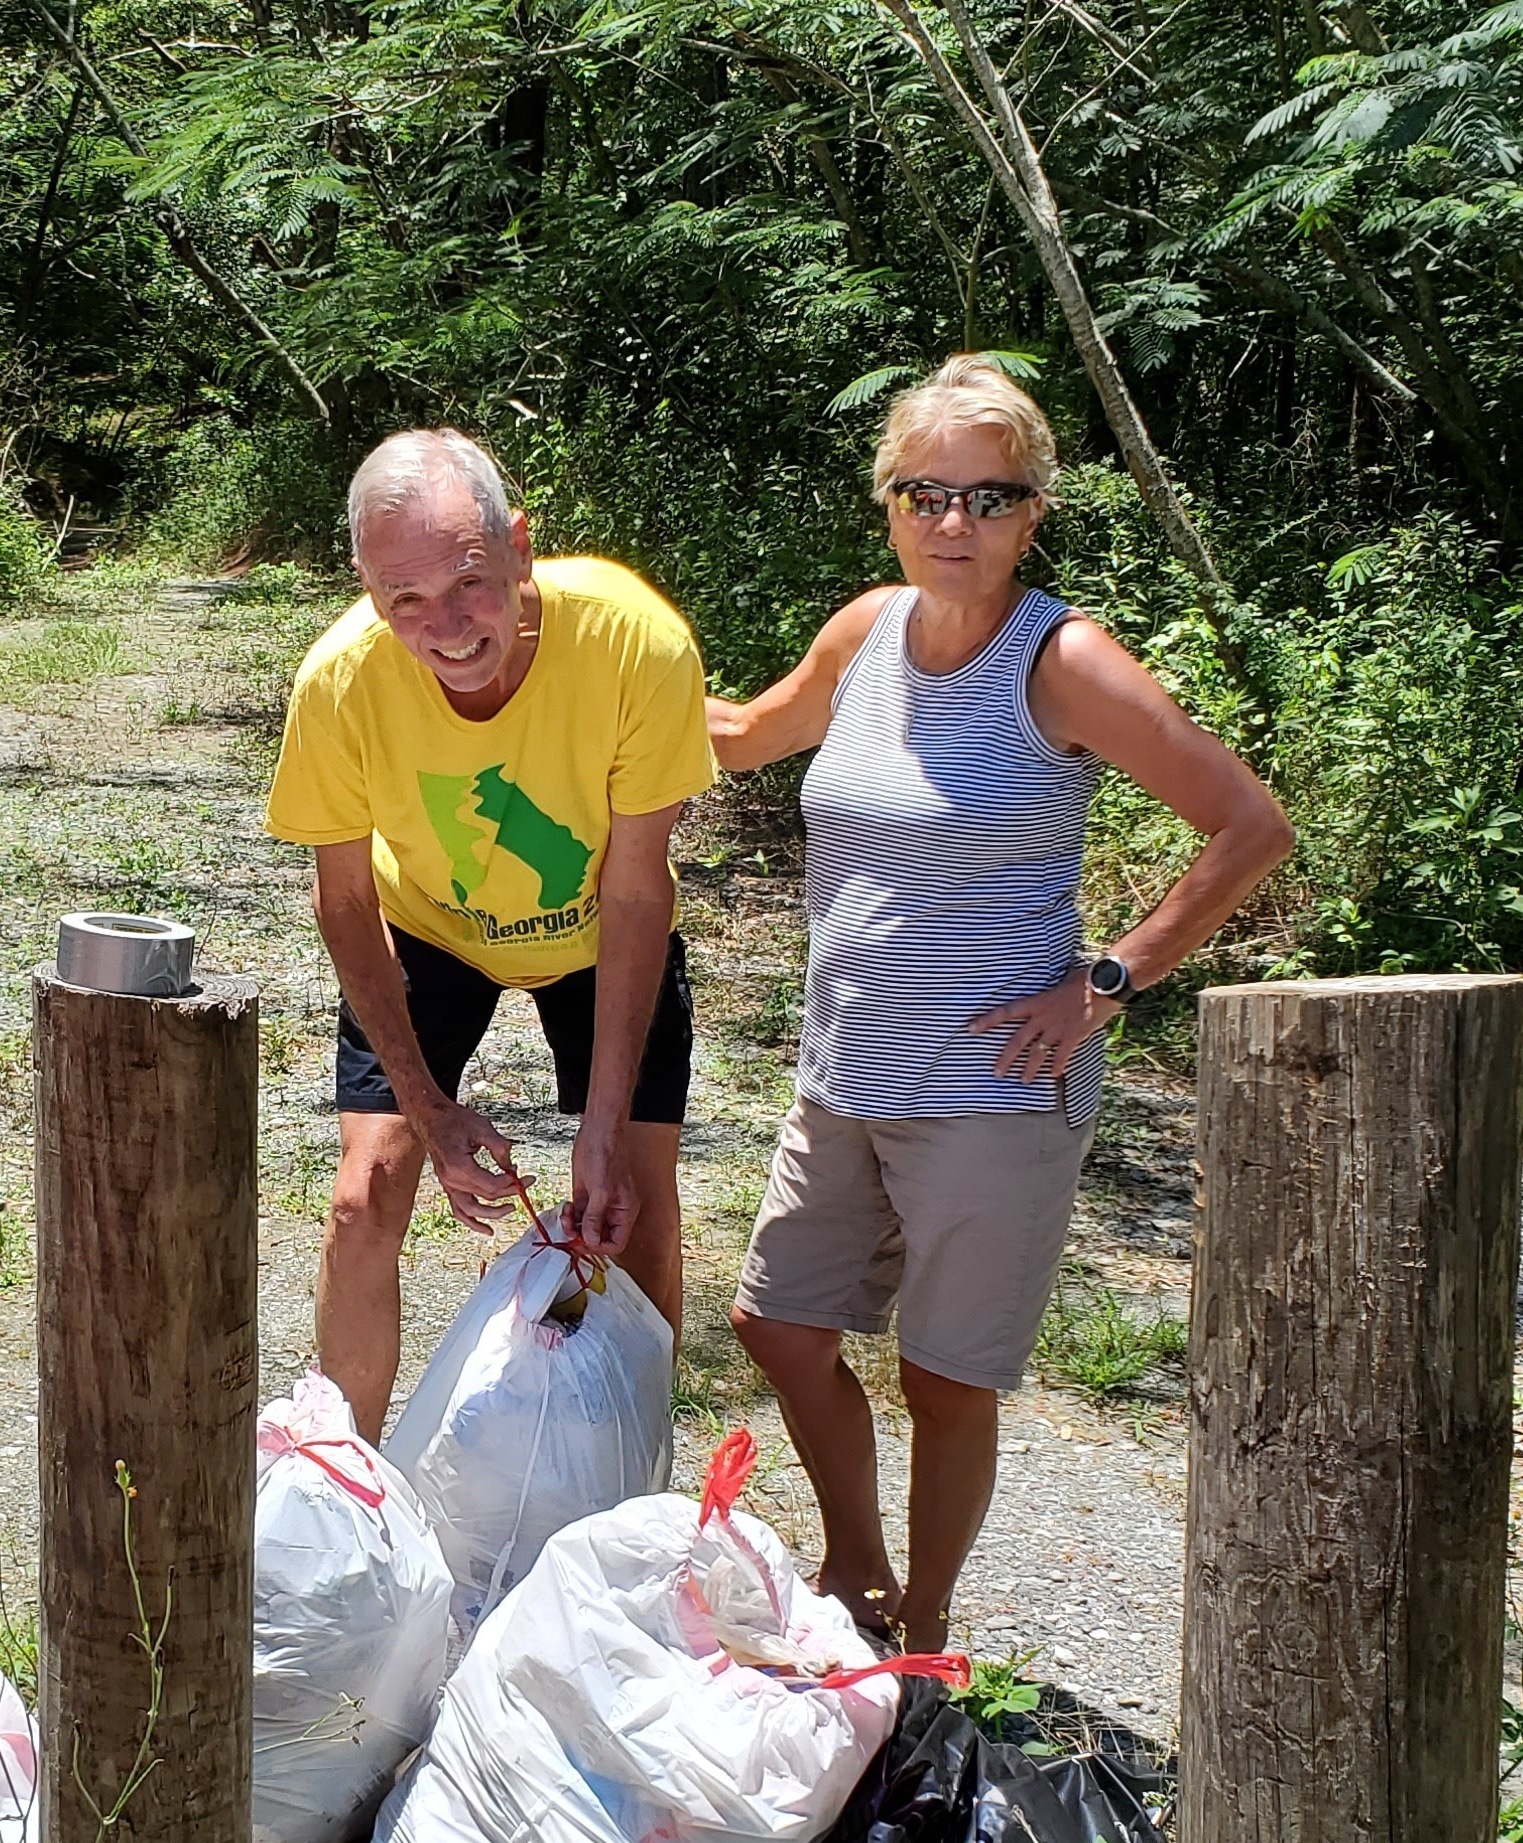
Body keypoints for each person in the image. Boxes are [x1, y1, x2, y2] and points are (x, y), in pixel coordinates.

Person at [706, 356, 1293, 1654]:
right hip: (844, 1071)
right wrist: (582, 691)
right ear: (889, 502)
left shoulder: (1064, 662)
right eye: (926, 493)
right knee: (781, 1324)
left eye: (988, 497)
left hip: (989, 1089)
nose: (953, 524)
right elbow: (745, 732)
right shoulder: (865, 634)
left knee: (943, 1379)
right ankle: (856, 1574)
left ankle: (922, 1632)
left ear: (1035, 513)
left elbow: (1249, 825)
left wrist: (1105, 981)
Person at [266, 430, 715, 1430]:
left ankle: (626, 1496)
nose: (447, 627)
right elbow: (344, 904)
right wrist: (428, 1112)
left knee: (633, 1207)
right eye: (405, 601)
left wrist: (598, 1131)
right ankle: (346, 1489)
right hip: (425, 926)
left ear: (519, 546)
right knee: (362, 1198)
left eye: (469, 582)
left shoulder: (634, 641)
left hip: (602, 927)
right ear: (367, 586)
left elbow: (642, 890)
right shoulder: (339, 681)